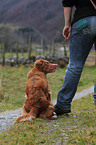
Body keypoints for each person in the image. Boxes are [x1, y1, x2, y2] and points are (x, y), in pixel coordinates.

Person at [54, 0, 96, 115]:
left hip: (82, 22)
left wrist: (67, 25)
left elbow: (67, 2)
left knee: (75, 64)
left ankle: (63, 104)